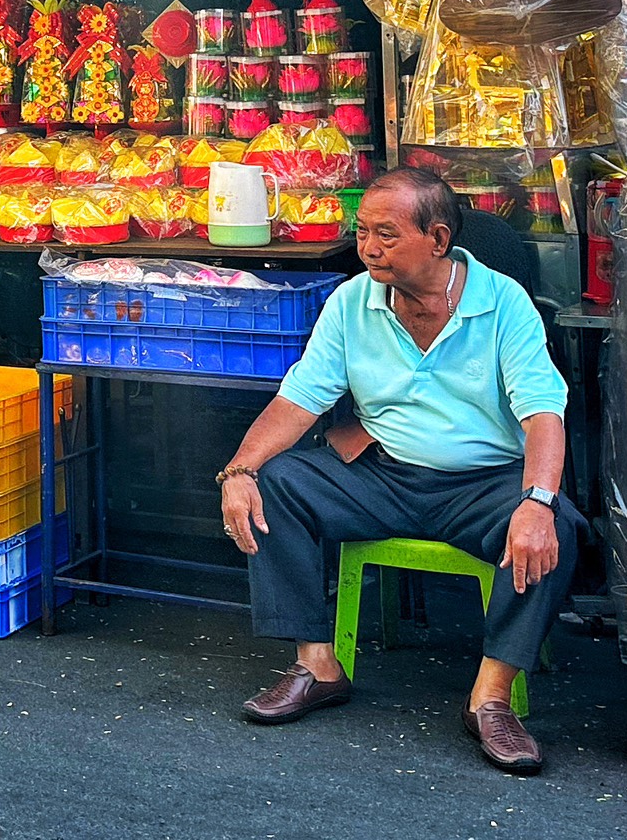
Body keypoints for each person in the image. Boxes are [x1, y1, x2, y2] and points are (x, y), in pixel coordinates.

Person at [217, 165, 585, 774]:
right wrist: (239, 471)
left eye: (385, 235)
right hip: (386, 474)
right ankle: (317, 665)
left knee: (555, 528)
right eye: (362, 232)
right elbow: (298, 400)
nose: (367, 248)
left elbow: (544, 413)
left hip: (483, 483)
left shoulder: (502, 303)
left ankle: (490, 697)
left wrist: (537, 499)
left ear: (438, 240)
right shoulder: (351, 302)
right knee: (276, 483)